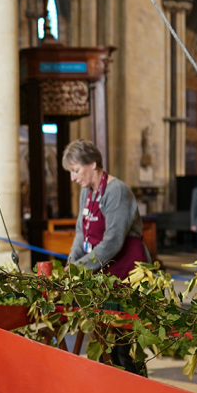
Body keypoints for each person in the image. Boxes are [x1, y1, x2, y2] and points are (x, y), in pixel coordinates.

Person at [62, 139, 149, 375]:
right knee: (104, 342)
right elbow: (82, 232)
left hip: (126, 272)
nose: (73, 177)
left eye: (76, 170)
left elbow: (112, 242)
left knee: (126, 345)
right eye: (70, 172)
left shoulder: (116, 190)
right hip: (103, 272)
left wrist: (80, 268)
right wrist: (72, 260)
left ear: (93, 164)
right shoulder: (86, 193)